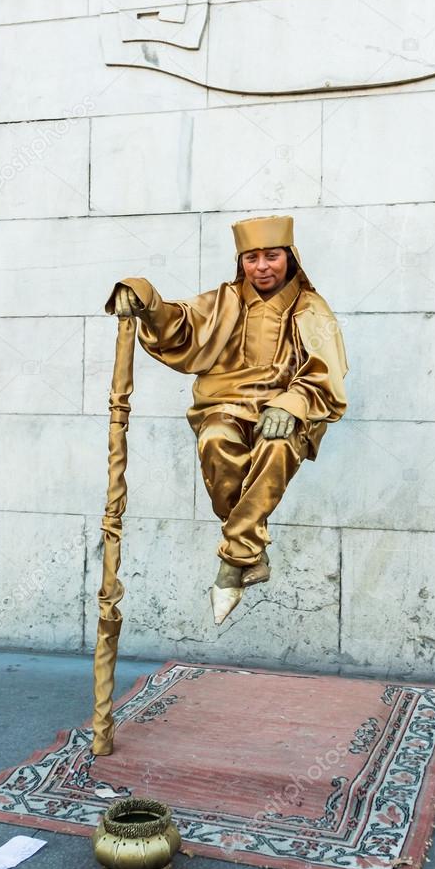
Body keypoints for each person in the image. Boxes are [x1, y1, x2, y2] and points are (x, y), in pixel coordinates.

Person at [105, 214, 348, 625]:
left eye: (271, 256)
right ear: (242, 262)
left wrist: (290, 403)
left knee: (275, 446)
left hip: (289, 412)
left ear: (288, 257)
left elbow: (327, 371)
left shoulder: (312, 309)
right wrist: (143, 297)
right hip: (226, 405)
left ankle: (233, 562)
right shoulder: (226, 301)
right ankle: (251, 548)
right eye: (252, 258)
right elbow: (179, 323)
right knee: (215, 441)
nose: (262, 267)